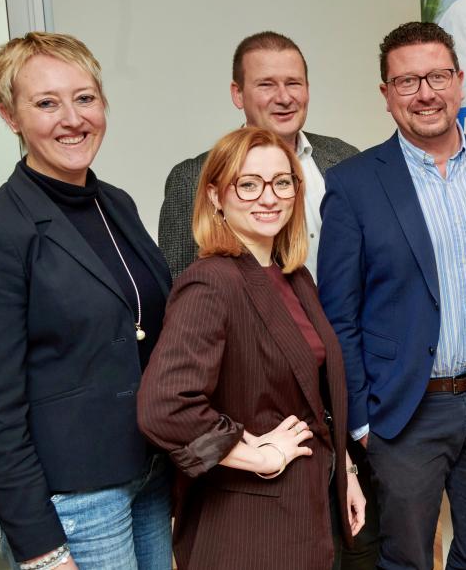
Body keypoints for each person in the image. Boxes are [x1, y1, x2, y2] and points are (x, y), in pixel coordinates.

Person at [317, 21, 466, 569]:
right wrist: (360, 421)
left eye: (437, 77)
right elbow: (339, 317)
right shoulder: (353, 185)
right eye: (407, 81)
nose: (425, 93)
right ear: (386, 95)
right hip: (404, 412)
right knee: (406, 558)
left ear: (460, 82)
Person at [0, 32, 172, 570]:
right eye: (46, 103)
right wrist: (42, 551)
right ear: (10, 117)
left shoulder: (116, 204)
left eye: (84, 98)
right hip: (73, 501)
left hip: (149, 474)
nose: (72, 119)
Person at [137, 126, 364, 570]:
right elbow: (164, 406)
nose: (269, 197)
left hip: (306, 509)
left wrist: (347, 472)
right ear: (216, 195)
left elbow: (314, 397)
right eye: (249, 184)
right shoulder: (211, 283)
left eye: (282, 182)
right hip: (247, 525)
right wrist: (257, 454)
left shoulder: (294, 277)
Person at [157, 31, 361, 281]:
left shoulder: (346, 158)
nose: (284, 98)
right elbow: (180, 283)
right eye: (266, 85)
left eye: (293, 83)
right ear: (238, 94)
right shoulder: (193, 178)